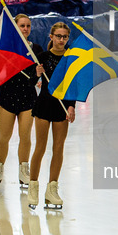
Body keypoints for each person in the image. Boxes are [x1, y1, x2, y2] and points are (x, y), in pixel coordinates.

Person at [0, 14, 44, 187]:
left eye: (28, 26)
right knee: (4, 136)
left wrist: (38, 76)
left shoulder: (36, 50)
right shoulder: (6, 49)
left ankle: (23, 170)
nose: (25, 29)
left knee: (25, 136)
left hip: (28, 97)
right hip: (7, 96)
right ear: (16, 28)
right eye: (22, 26)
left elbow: (33, 81)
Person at [28, 22, 76, 210]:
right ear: (51, 37)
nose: (61, 40)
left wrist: (71, 106)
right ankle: (33, 186)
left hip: (62, 107)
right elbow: (31, 81)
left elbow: (74, 85)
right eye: (58, 36)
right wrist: (36, 73)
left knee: (58, 148)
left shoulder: (71, 58)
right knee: (40, 147)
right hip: (43, 105)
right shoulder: (42, 56)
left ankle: (52, 189)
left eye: (64, 37)